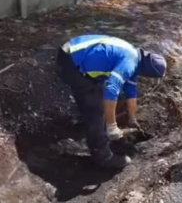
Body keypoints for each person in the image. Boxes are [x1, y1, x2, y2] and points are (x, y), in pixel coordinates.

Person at [55, 34, 167, 168]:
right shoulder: (129, 62)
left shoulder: (134, 56)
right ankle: (102, 157)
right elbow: (112, 89)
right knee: (96, 109)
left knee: (96, 99)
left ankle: (87, 126)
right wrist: (112, 126)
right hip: (70, 62)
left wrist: (132, 119)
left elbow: (131, 90)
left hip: (72, 53)